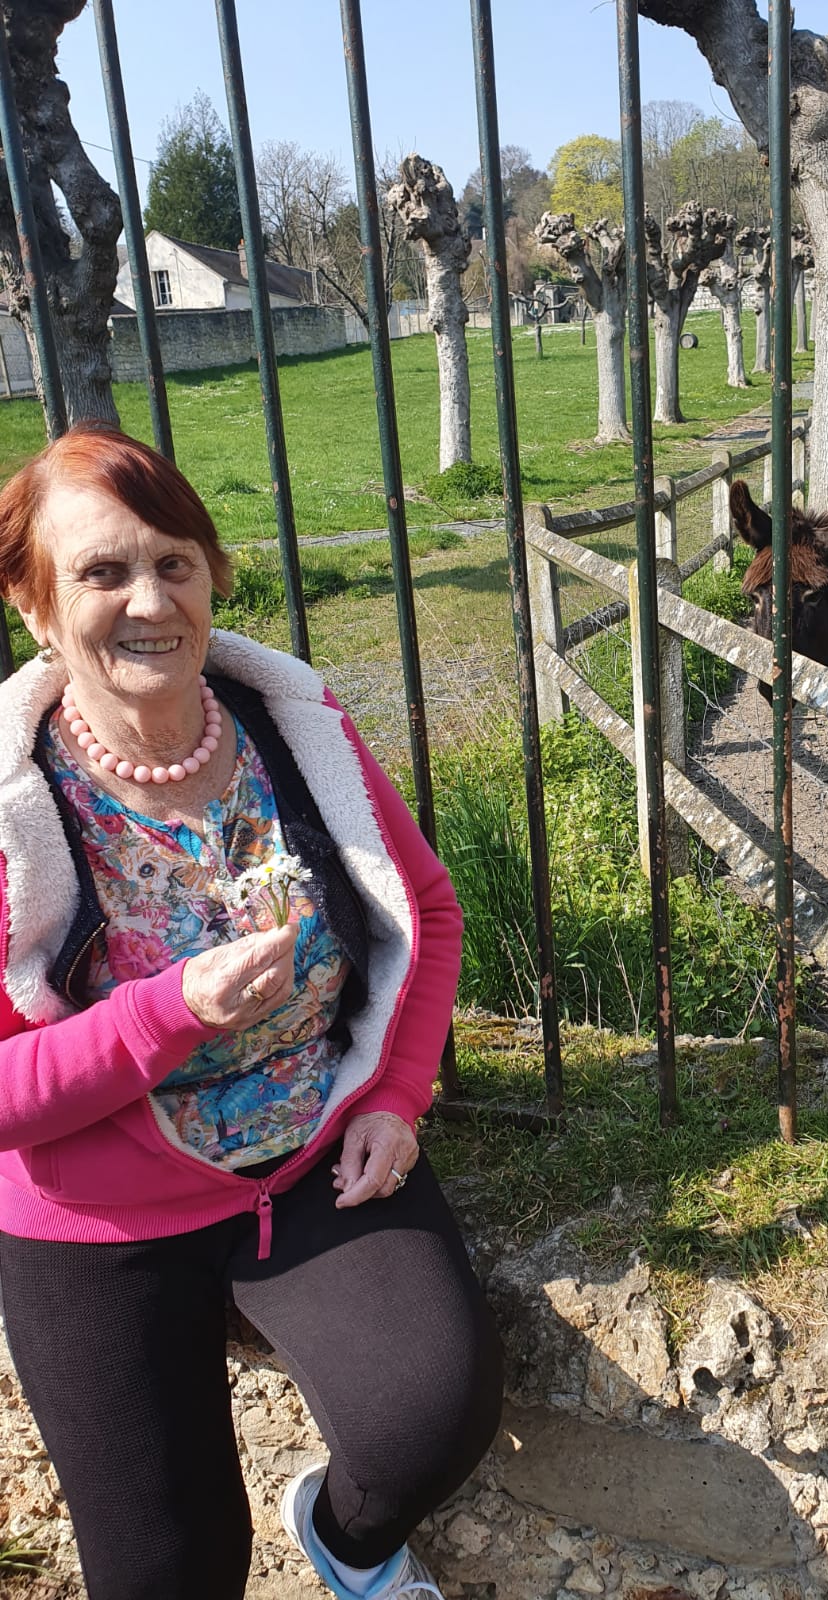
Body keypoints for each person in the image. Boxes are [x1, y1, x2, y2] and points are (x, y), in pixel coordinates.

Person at [0, 425, 503, 1600]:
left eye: (174, 562)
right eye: (102, 571)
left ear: (212, 575)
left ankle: (348, 1545)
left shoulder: (292, 726)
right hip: (100, 1218)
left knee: (431, 1418)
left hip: (307, 1153)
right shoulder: (13, 806)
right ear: (35, 608)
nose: (150, 600)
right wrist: (165, 1014)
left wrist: (393, 1091)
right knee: (168, 1573)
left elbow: (426, 911)